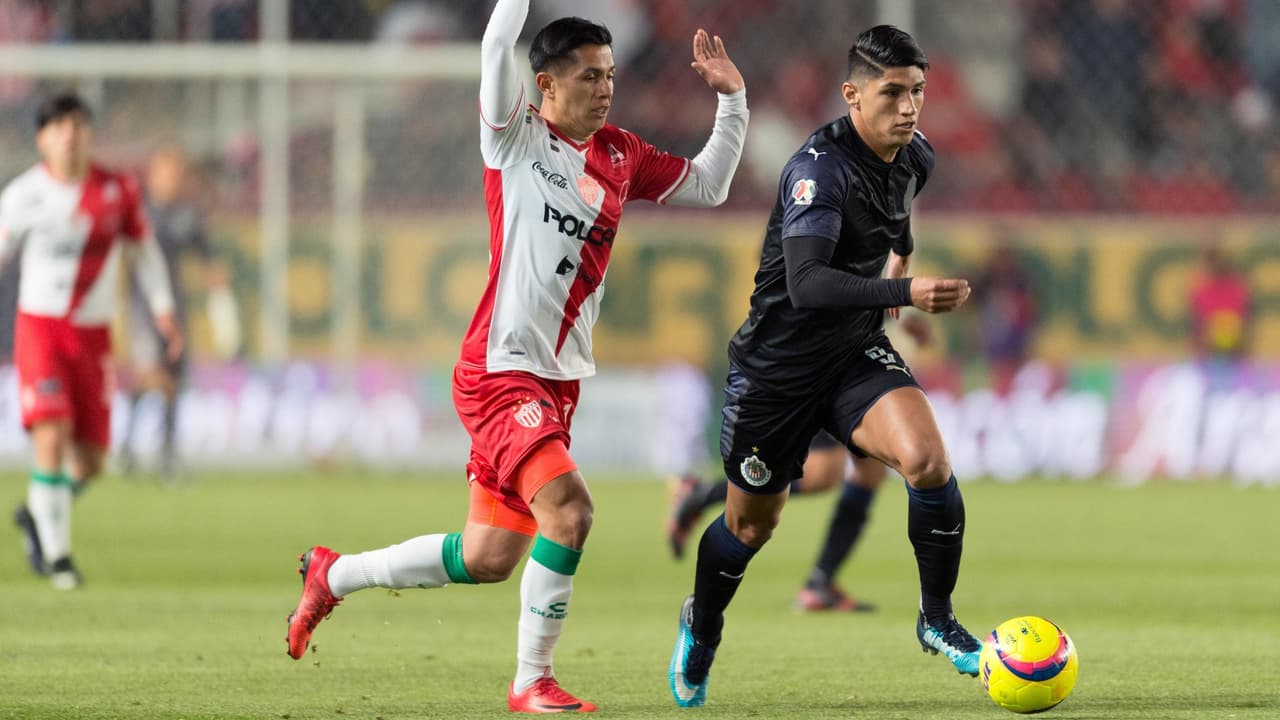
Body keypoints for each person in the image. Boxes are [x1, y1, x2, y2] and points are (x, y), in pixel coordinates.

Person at [284, 0, 748, 713]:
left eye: (610, 74)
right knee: (570, 511)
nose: (605, 87)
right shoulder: (513, 136)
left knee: (489, 556)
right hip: (501, 371)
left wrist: (733, 100)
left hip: (556, 380)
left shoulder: (621, 154)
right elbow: (497, 40)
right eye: (589, 76)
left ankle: (332, 574)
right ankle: (532, 681)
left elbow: (710, 185)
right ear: (546, 85)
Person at [667, 26, 980, 709]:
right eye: (892, 93)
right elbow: (806, 285)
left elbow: (898, 220)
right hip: (776, 371)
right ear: (852, 96)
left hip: (852, 354)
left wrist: (899, 267)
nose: (909, 107)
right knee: (751, 527)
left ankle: (936, 618)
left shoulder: (915, 156)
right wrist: (906, 291)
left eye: (918, 91)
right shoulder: (819, 170)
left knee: (927, 461)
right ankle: (703, 624)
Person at [3, 92, 179, 590]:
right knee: (51, 434)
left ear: (90, 134)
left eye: (78, 124)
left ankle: (38, 513)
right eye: (58, 126)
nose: (70, 134)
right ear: (42, 138)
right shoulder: (24, 194)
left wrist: (163, 308)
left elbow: (144, 251)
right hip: (41, 329)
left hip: (95, 336)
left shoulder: (117, 190)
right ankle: (60, 560)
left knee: (91, 462)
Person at [667, 314, 935, 613]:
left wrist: (898, 311)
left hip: (847, 348)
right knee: (822, 472)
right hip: (816, 353)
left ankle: (821, 582)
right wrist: (901, 301)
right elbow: (825, 290)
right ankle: (702, 494)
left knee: (869, 470)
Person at [117, 145, 235, 481]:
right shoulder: (137, 211)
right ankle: (135, 448)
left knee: (173, 376)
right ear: (153, 175)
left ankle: (163, 453)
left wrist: (221, 303)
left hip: (176, 306)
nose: (170, 180)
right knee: (153, 373)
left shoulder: (188, 215)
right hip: (144, 306)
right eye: (165, 173)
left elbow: (209, 257)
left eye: (176, 174)